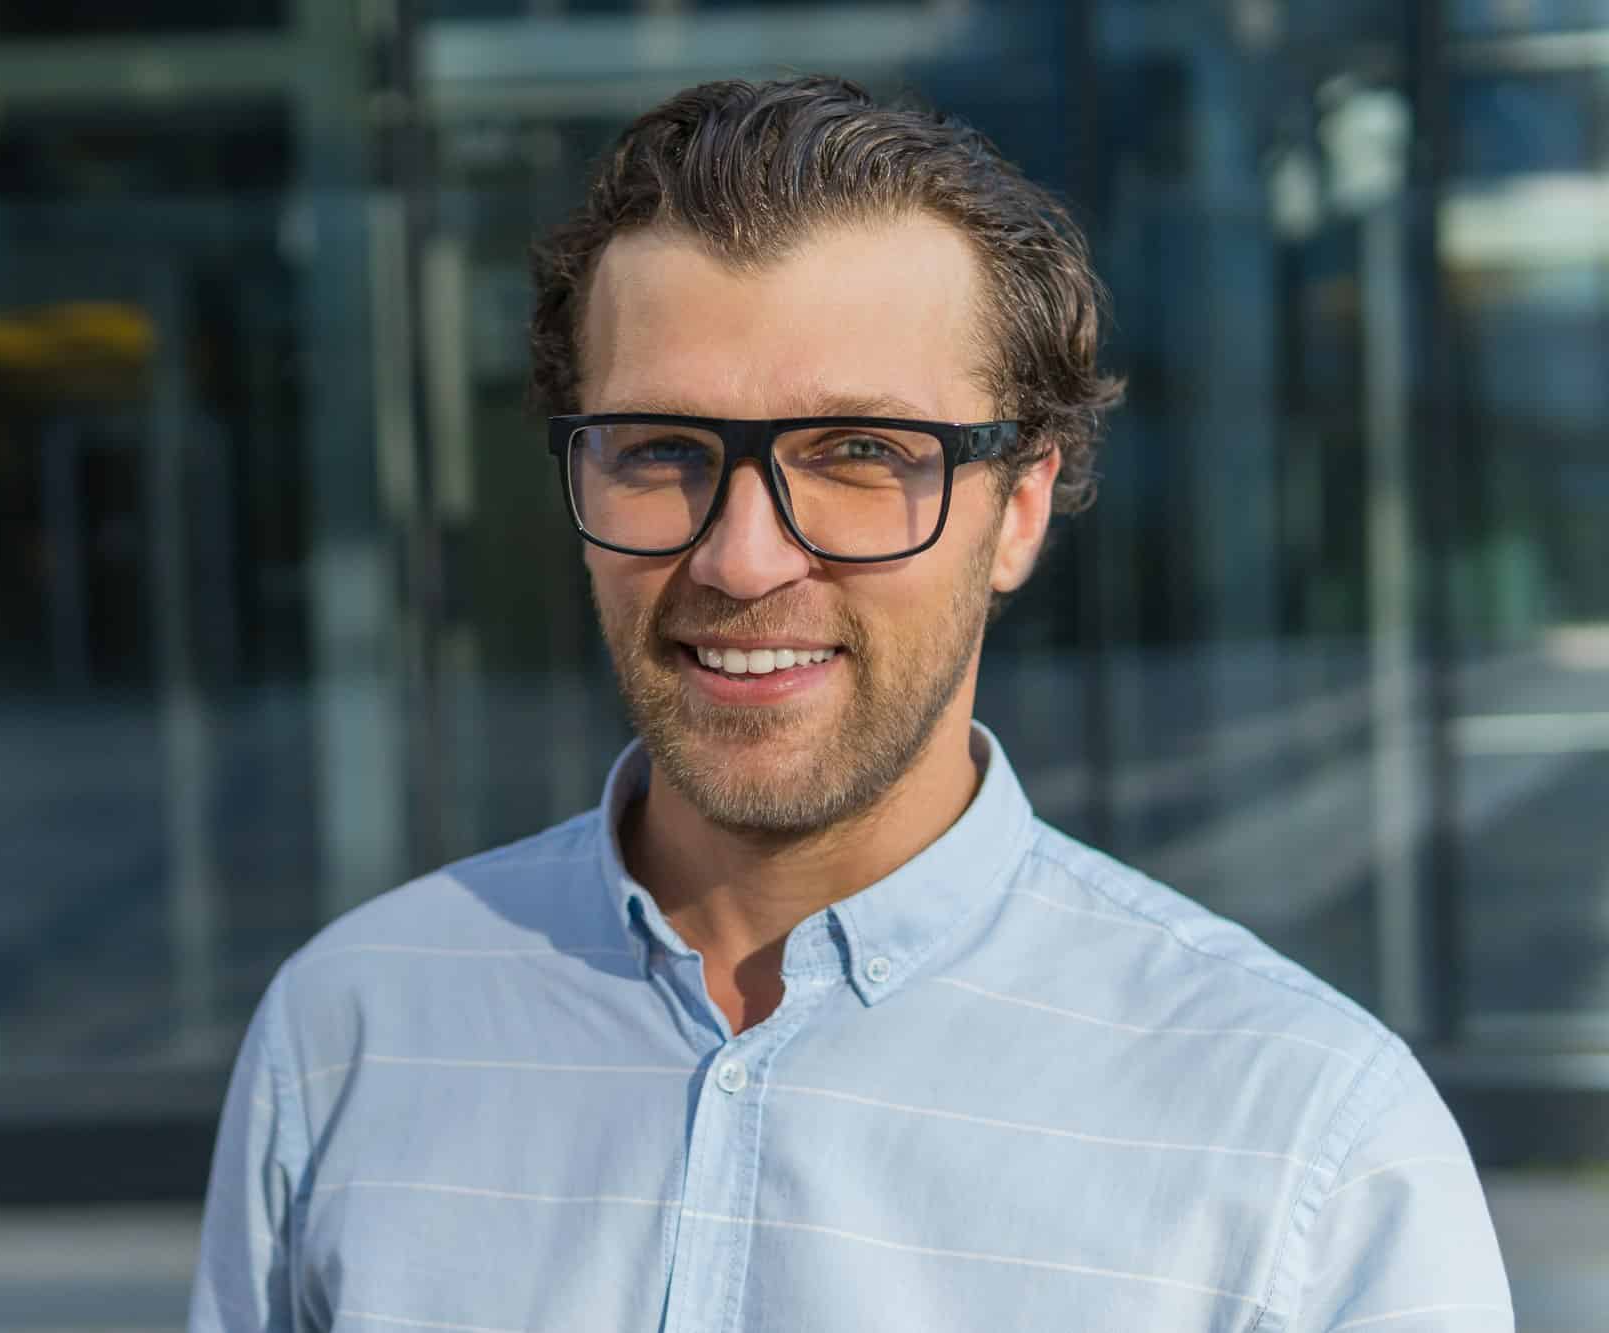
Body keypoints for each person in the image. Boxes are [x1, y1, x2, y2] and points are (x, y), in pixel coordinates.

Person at [190, 76, 1512, 1332]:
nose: (744, 557)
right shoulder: (349, 1038)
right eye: (662, 450)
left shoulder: (1307, 1147)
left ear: (1022, 507)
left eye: (863, 454)